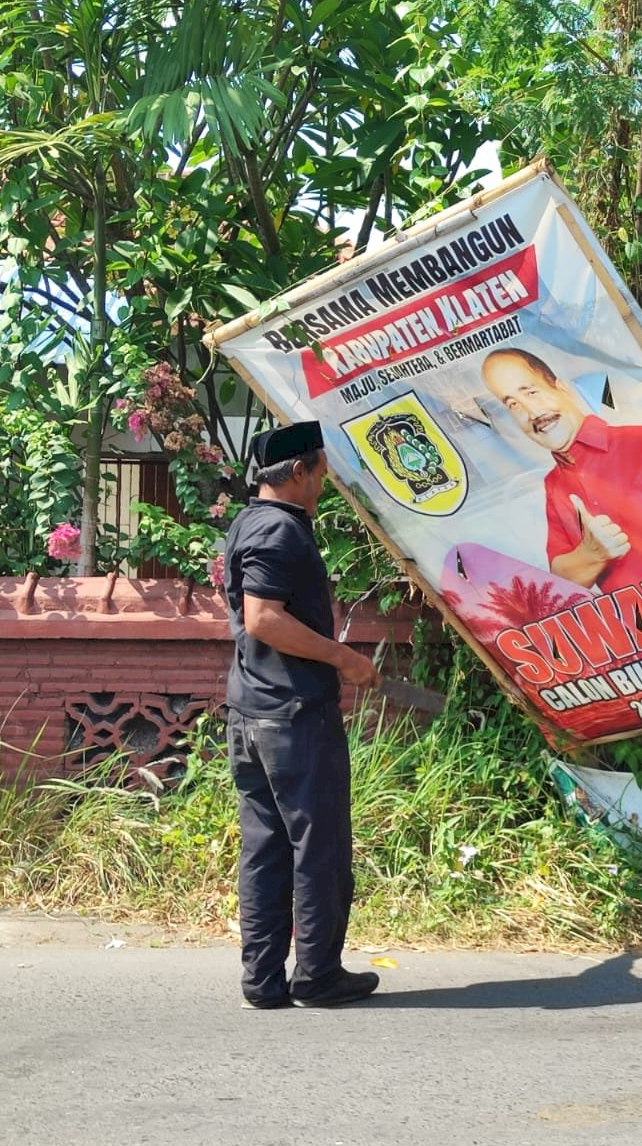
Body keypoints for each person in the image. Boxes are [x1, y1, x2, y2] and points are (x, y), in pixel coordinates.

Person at [223, 421, 382, 1009]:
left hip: (250, 711)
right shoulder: (280, 532)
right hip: (292, 715)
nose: (324, 483)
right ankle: (318, 976)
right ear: (298, 471)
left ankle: (262, 982)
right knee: (318, 848)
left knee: (264, 847)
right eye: (320, 472)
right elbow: (264, 618)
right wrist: (344, 658)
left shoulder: (248, 522)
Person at [480, 347, 642, 591]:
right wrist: (590, 554)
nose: (531, 412)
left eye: (531, 391)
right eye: (512, 404)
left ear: (562, 389)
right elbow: (562, 579)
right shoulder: (554, 484)